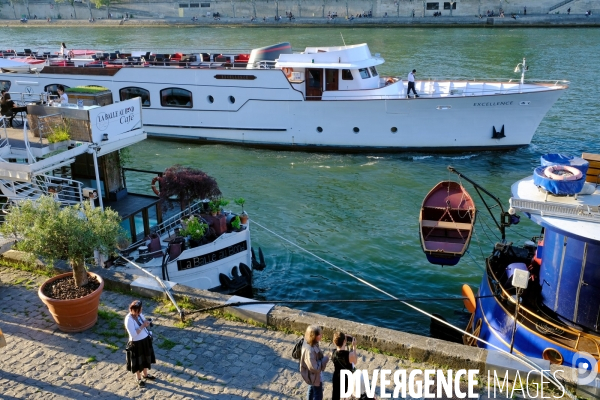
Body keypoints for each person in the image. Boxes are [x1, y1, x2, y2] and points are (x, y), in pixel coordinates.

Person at [124, 300, 156, 387]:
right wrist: (142, 326)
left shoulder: (139, 314)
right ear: (135, 310)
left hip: (145, 340)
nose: (142, 310)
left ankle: (145, 374)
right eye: (140, 309)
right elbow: (133, 334)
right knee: (137, 361)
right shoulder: (128, 320)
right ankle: (138, 378)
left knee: (146, 358)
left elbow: (143, 322)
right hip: (136, 343)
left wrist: (146, 322)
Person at [300, 325, 329, 400]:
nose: (321, 335)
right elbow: (315, 368)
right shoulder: (310, 351)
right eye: (319, 334)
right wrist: (326, 358)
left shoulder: (309, 342)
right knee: (318, 395)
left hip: (311, 376)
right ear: (314, 336)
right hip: (314, 376)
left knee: (311, 389)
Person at [331, 332, 358, 400]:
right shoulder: (349, 355)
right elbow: (355, 361)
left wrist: (342, 338)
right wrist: (354, 347)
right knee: (345, 394)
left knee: (335, 395)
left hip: (337, 377)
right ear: (344, 341)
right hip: (346, 378)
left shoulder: (333, 353)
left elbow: (338, 349)